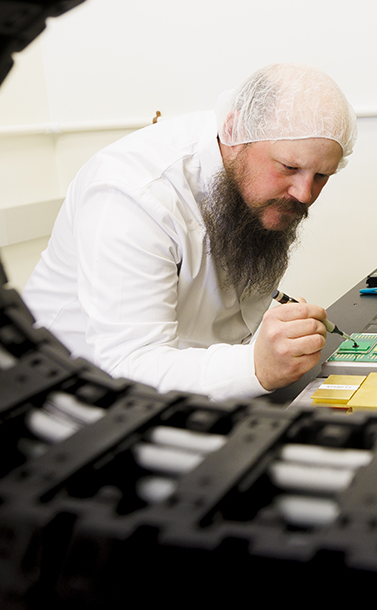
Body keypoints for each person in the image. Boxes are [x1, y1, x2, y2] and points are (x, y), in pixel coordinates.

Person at [22, 63, 356, 399]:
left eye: (322, 176)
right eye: (290, 167)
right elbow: (127, 365)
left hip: (182, 391)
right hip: (68, 392)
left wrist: (271, 347)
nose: (304, 194)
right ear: (234, 132)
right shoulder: (133, 196)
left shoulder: (259, 193)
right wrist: (256, 365)